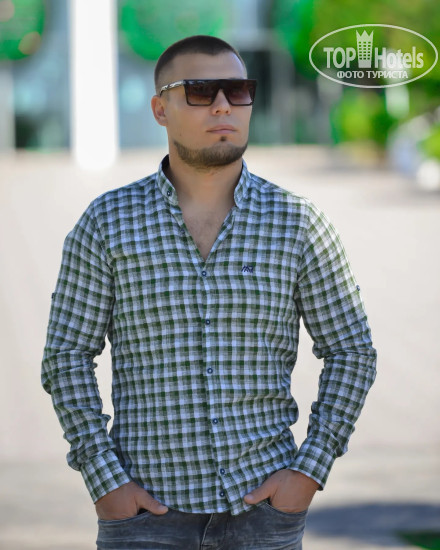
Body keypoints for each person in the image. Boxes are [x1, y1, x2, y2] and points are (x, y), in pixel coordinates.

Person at [42, 35, 377, 550]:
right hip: (144, 519)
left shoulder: (298, 223)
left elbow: (352, 350)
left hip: (264, 517)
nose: (223, 106)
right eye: (200, 90)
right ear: (160, 109)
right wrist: (105, 480)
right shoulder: (107, 223)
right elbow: (66, 356)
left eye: (238, 90)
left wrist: (309, 472)